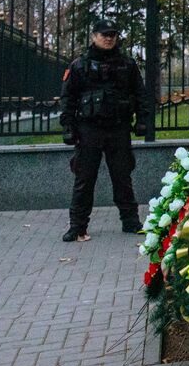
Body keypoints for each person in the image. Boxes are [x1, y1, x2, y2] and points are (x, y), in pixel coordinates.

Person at [59, 19, 153, 242]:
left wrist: (142, 120)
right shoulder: (80, 65)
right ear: (94, 36)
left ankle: (130, 221)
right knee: (84, 178)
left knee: (122, 177)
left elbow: (140, 95)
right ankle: (77, 226)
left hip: (118, 128)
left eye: (112, 34)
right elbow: (68, 98)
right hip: (88, 129)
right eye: (104, 34)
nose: (108, 38)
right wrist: (68, 127)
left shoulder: (127, 65)